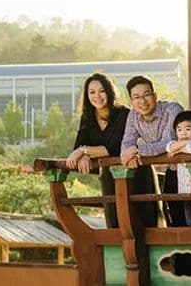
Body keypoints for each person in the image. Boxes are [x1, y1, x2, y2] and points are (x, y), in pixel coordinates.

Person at [65, 72, 154, 228]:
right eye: (92, 92)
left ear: (109, 91)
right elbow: (79, 145)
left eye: (102, 91)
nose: (97, 96)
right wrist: (84, 155)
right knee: (114, 223)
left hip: (136, 173)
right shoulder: (88, 117)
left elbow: (114, 148)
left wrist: (84, 151)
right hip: (109, 176)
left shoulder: (124, 114)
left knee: (142, 222)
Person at [119, 75, 184, 227]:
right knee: (175, 219)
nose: (142, 101)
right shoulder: (133, 116)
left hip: (189, 169)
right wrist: (130, 155)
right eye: (136, 97)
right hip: (172, 170)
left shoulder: (173, 109)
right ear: (131, 101)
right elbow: (126, 144)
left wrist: (137, 150)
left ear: (155, 95)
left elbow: (169, 143)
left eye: (147, 95)